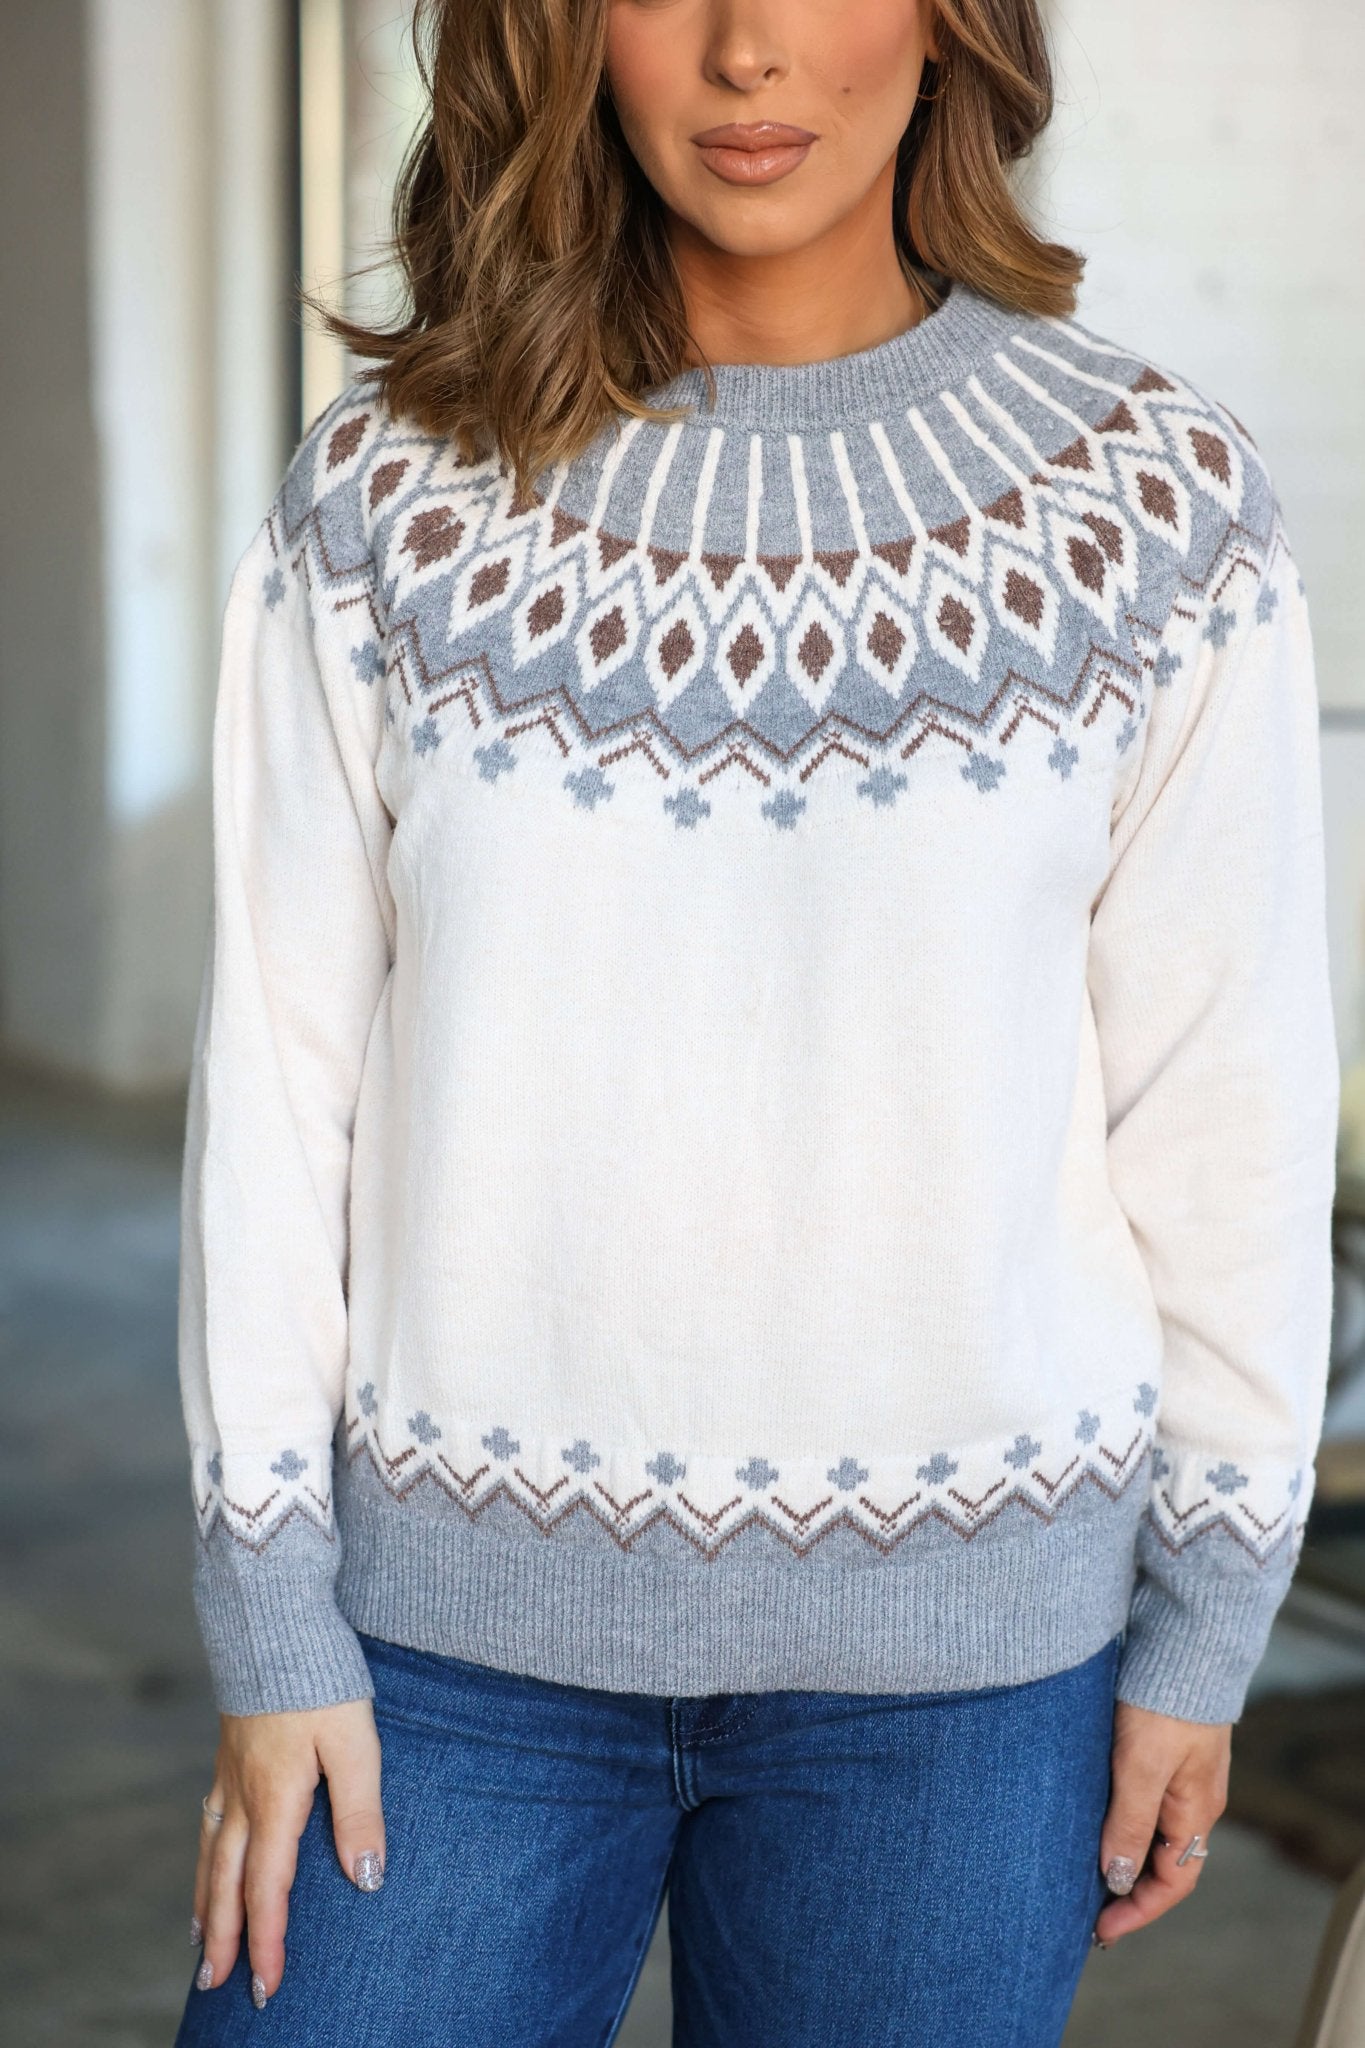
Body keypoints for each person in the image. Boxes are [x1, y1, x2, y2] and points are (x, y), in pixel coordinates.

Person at [171, 0, 1341, 2042]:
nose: (742, 50)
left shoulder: (1153, 513)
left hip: (966, 1687)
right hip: (444, 1652)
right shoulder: (385, 500)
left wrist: (1198, 1632)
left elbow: (1224, 1103)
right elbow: (280, 1088)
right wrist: (273, 1630)